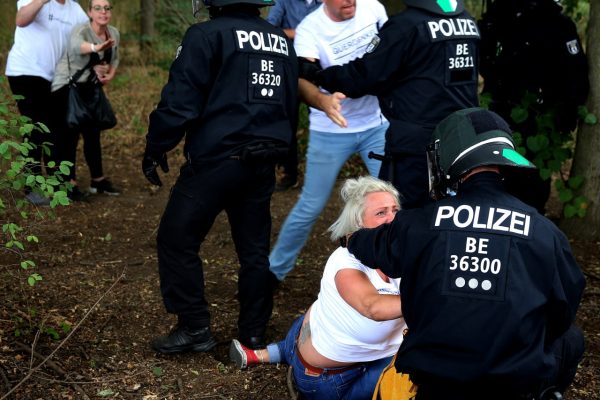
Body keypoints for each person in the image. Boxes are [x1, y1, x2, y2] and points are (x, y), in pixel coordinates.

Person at [345, 107, 586, 399]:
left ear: (445, 158)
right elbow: (563, 308)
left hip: (435, 383)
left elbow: (371, 244)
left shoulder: (420, 223)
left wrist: (351, 238)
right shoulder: (545, 233)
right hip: (511, 384)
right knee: (570, 339)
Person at [142, 0, 298, 353]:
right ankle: (253, 333)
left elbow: (181, 98)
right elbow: (289, 101)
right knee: (254, 252)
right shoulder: (279, 40)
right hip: (262, 161)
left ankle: (195, 328)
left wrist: (156, 145)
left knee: (176, 237)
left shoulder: (205, 35)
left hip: (216, 160)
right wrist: (289, 156)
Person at [230, 176, 406, 400]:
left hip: (322, 340)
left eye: (395, 210)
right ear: (359, 222)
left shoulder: (402, 252)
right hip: (331, 379)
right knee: (412, 366)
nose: (393, 218)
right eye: (381, 213)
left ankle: (265, 354)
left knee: (318, 314)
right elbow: (372, 306)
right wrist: (427, 297)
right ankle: (284, 355)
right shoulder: (345, 260)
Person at [307, 0, 480, 209]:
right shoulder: (467, 22)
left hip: (416, 144)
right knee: (450, 209)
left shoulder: (406, 26)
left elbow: (362, 77)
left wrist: (316, 74)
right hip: (460, 136)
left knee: (405, 213)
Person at [268, 0, 389, 282]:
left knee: (393, 196)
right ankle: (273, 272)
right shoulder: (310, 28)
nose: (351, 1)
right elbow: (300, 79)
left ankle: (397, 266)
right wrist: (322, 100)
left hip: (377, 123)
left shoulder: (374, 8)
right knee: (310, 204)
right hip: (331, 128)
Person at [478, 0, 589, 214]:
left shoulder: (557, 23)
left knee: (531, 184)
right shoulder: (497, 18)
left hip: (541, 119)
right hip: (499, 113)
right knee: (498, 173)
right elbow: (483, 58)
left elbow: (576, 74)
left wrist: (568, 110)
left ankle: (529, 223)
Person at [5, 0, 89, 205]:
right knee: (36, 128)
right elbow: (21, 20)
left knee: (62, 128)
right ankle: (31, 187)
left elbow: (89, 34)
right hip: (26, 71)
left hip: (56, 76)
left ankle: (61, 184)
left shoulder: (74, 8)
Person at [51, 0, 121, 200]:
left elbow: (115, 58)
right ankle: (68, 184)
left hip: (91, 89)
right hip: (67, 86)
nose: (103, 12)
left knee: (93, 133)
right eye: (98, 8)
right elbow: (76, 48)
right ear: (90, 12)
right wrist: (97, 46)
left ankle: (97, 181)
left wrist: (110, 74)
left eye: (107, 8)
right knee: (69, 136)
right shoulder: (80, 30)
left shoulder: (114, 33)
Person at [266, 0, 322, 191]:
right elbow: (269, 29)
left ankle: (323, 173)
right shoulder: (284, 2)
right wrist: (298, 33)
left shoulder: (326, 3)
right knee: (288, 122)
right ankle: (289, 174)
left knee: (323, 122)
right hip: (290, 66)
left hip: (320, 67)